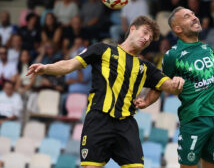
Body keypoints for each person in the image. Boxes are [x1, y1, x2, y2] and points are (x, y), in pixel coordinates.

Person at [26, 16, 185, 168]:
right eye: (145, 32)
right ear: (132, 29)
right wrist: (46, 68)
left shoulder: (146, 67)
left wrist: (176, 82)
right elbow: (69, 65)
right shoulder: (101, 50)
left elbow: (166, 85)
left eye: (150, 38)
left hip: (126, 123)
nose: (146, 38)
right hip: (98, 119)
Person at [134, 7, 214, 168]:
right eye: (187, 16)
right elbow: (160, 83)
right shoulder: (172, 55)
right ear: (178, 28)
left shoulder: (207, 48)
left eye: (194, 14)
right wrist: (147, 101)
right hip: (194, 120)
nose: (195, 17)